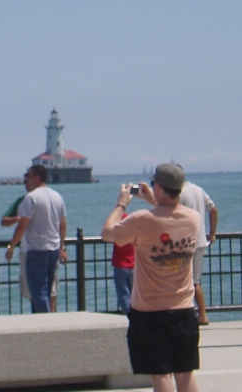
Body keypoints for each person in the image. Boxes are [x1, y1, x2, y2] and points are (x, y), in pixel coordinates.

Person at [102, 163, 200, 392]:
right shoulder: (193, 218)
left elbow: (108, 232)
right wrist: (154, 200)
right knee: (185, 375)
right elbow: (169, 215)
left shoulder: (141, 220)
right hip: (184, 309)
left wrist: (121, 203)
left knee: (161, 377)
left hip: (150, 313)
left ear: (158, 186)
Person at [4, 165, 67, 313]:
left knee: (38, 293)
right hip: (53, 250)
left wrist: (11, 247)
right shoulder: (57, 196)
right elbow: (63, 224)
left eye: (29, 176)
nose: (26, 179)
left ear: (37, 177)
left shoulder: (31, 198)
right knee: (48, 291)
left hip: (37, 250)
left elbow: (22, 226)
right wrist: (62, 247)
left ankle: (45, 325)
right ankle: (49, 321)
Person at [1, 193, 61, 312]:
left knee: (48, 289)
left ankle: (48, 319)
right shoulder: (23, 200)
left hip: (49, 248)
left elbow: (61, 224)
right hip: (30, 250)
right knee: (35, 290)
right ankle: (44, 317)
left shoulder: (51, 199)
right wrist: (18, 219)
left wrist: (11, 247)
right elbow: (5, 221)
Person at [179, 178, 218, 326]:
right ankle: (202, 314)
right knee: (196, 281)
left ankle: (188, 314)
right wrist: (212, 233)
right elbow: (213, 210)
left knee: (183, 281)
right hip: (201, 241)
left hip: (184, 243)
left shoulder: (179, 193)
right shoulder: (198, 190)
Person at [111, 212, 134, 314]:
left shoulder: (117, 235)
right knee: (134, 293)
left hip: (120, 266)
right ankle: (136, 314)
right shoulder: (133, 235)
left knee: (123, 294)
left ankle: (128, 314)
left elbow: (106, 233)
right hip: (133, 266)